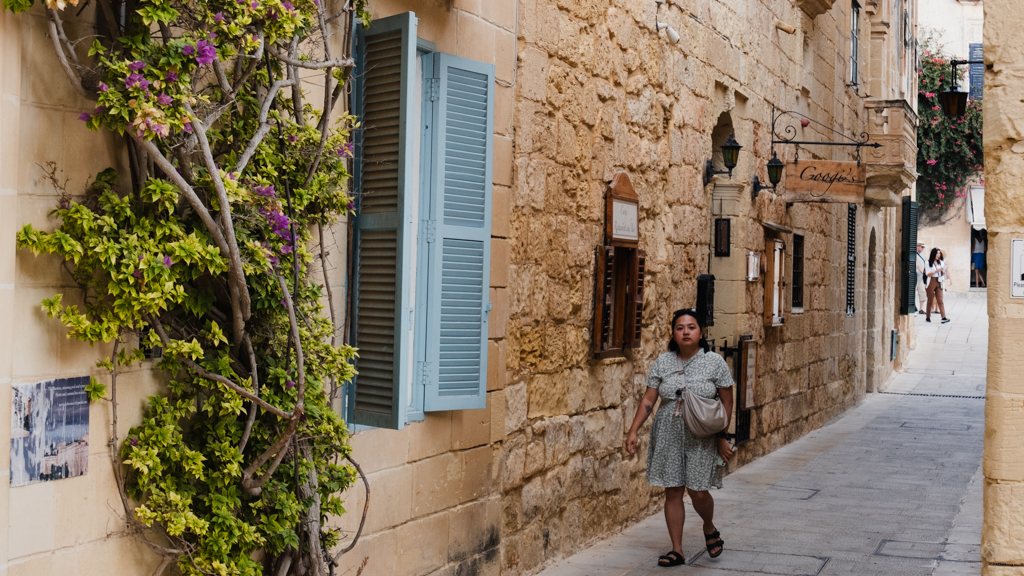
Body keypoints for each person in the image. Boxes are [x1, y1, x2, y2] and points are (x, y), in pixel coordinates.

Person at [626, 309, 735, 567]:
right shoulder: (663, 362)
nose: (686, 331)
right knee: (673, 490)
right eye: (680, 328)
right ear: (673, 334)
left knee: (698, 492)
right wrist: (633, 430)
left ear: (701, 332)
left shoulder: (714, 362)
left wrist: (722, 436)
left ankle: (709, 526)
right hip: (668, 433)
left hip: (702, 435)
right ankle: (677, 550)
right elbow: (649, 400)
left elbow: (726, 404)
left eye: (691, 327)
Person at [925, 247, 950, 323]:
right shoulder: (928, 263)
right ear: (933, 254)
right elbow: (927, 273)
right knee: (930, 299)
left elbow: (942, 272)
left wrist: (943, 271)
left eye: (939, 253)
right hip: (931, 281)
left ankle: (943, 317)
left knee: (940, 300)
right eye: (937, 253)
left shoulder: (941, 262)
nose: (938, 255)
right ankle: (928, 316)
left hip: (939, 281)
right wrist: (936, 271)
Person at [916, 244, 928, 314]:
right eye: (922, 247)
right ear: (917, 246)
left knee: (922, 292)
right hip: (914, 276)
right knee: (913, 293)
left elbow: (925, 265)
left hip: (921, 277)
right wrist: (924, 272)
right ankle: (913, 307)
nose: (923, 248)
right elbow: (918, 266)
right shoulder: (913, 254)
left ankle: (921, 309)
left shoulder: (923, 255)